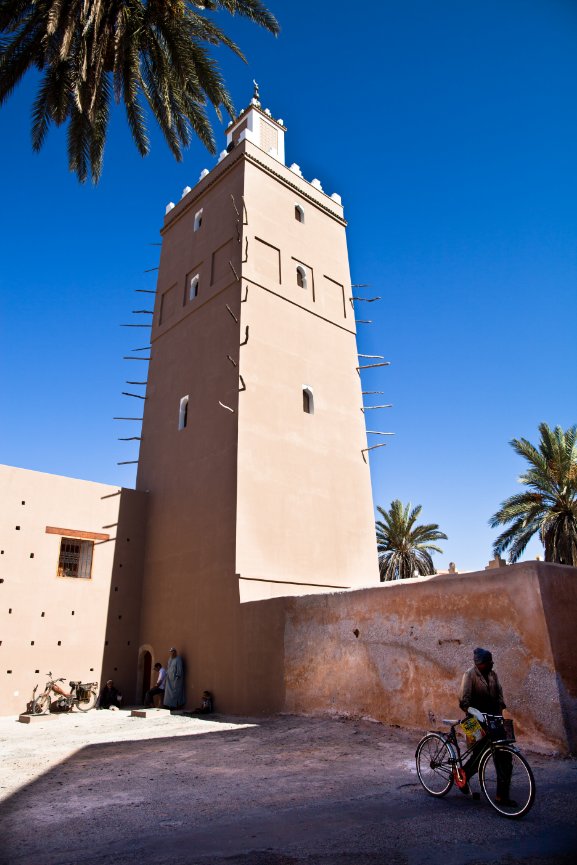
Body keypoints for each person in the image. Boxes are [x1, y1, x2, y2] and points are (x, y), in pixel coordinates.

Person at [459, 648, 512, 804]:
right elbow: (463, 701)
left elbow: (500, 695)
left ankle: (502, 796)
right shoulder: (469, 675)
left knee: (505, 757)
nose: (492, 663)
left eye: (491, 661)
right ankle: (462, 776)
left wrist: (500, 710)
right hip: (473, 721)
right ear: (479, 663)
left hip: (493, 720)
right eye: (488, 661)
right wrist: (476, 713)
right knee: (479, 756)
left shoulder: (493, 675)